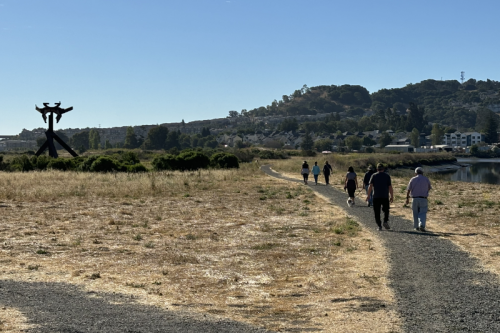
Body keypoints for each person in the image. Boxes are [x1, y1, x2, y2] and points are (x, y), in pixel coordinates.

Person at [366, 163, 393, 231]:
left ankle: (379, 226)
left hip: (376, 196)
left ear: (377, 169)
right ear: (383, 169)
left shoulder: (374, 175)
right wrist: (391, 196)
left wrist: (368, 195)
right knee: (386, 210)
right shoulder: (387, 176)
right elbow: (390, 187)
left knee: (377, 212)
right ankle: (385, 221)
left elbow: (370, 186)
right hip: (385, 196)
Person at [406, 167, 432, 232]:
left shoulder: (412, 179)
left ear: (415, 173)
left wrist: (407, 198)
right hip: (423, 198)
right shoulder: (426, 179)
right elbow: (429, 188)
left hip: (414, 198)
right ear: (422, 172)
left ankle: (416, 226)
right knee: (423, 212)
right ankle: (422, 225)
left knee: (415, 213)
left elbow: (408, 190)